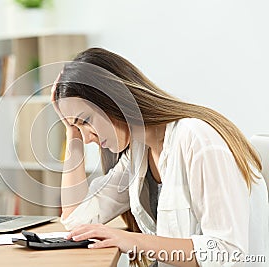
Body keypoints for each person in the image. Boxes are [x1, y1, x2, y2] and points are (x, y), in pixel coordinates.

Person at [50, 47, 268, 267]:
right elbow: (77, 220)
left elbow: (227, 250)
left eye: (86, 120)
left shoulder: (196, 139)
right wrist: (72, 133)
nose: (86, 138)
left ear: (113, 98)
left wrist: (133, 241)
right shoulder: (138, 152)